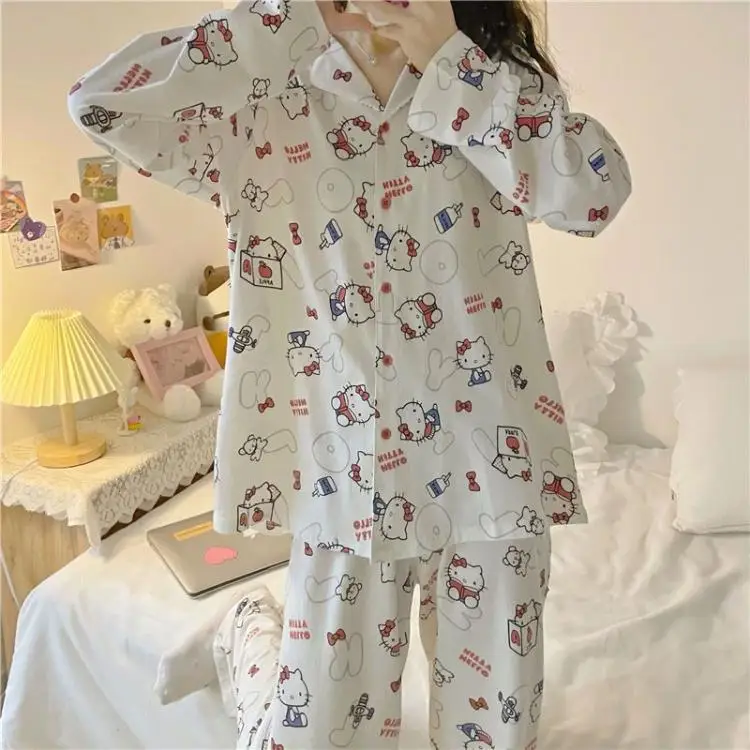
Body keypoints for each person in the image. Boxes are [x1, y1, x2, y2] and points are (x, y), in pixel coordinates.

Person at [69, 1, 631, 747]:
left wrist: (451, 60)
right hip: (342, 481)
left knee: (493, 736)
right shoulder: (266, 86)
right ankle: (250, 637)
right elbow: (99, 103)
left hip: (490, 475)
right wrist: (290, 21)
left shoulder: (487, 72)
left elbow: (595, 194)